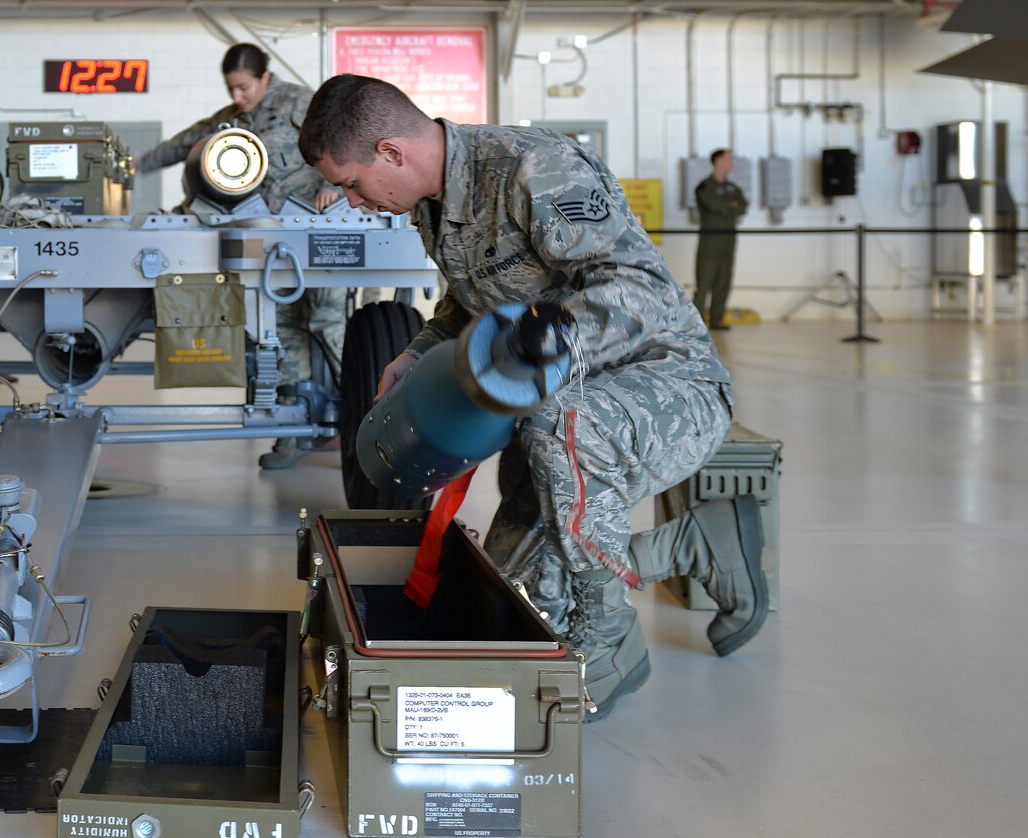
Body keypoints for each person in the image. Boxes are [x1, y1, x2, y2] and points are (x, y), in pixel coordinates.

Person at [299, 74, 768, 719]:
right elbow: (472, 304)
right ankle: (695, 544)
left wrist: (538, 350)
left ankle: (610, 645)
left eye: (350, 183)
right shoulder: (435, 206)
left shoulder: (532, 168)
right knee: (513, 601)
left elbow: (641, 290)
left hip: (668, 386)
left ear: (390, 152)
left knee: (559, 427)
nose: (352, 201)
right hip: (561, 410)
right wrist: (417, 352)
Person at [137, 43, 346, 470]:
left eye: (244, 87)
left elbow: (343, 140)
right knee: (281, 327)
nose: (238, 96)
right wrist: (136, 164)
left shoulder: (302, 103)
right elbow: (188, 140)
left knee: (328, 322)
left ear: (264, 77)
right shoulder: (232, 120)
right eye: (232, 89)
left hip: (318, 231)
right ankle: (295, 429)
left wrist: (338, 187)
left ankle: (365, 414)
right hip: (269, 245)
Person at [693, 148, 747, 331]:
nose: (731, 163)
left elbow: (742, 207)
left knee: (724, 279)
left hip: (728, 239)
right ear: (718, 162)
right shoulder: (705, 186)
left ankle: (717, 319)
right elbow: (713, 205)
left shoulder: (733, 188)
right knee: (705, 280)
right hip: (711, 240)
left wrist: (729, 207)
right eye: (728, 159)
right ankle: (697, 322)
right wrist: (729, 206)